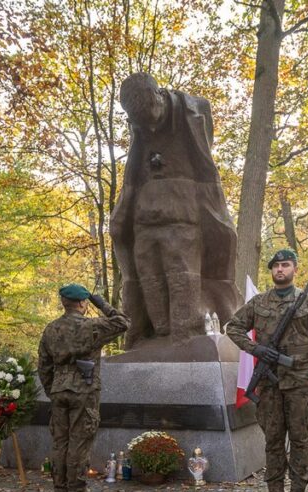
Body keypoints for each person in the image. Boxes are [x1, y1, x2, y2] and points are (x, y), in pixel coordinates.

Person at [110, 72, 240, 346]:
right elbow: (133, 176)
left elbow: (205, 158)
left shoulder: (195, 111)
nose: (149, 128)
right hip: (144, 223)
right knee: (150, 288)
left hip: (182, 219)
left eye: (152, 118)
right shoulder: (139, 125)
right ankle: (159, 339)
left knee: (182, 283)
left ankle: (186, 340)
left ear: (159, 96)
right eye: (141, 123)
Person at [226, 248, 308, 492]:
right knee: (272, 440)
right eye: (276, 266)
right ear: (271, 271)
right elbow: (233, 327)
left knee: (298, 439)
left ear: (294, 269)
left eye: (285, 265)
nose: (280, 269)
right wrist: (256, 349)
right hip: (269, 385)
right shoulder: (259, 303)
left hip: (299, 383)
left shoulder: (307, 302)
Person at [38, 284, 130, 492]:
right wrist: (100, 302)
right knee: (79, 441)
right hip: (84, 389)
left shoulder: (51, 329)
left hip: (59, 390)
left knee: (60, 442)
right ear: (82, 303)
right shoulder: (91, 326)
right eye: (86, 302)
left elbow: (43, 365)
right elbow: (123, 322)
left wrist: (53, 389)